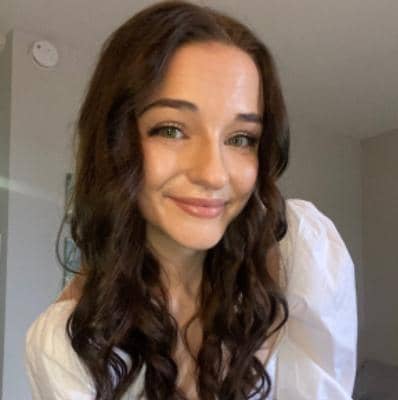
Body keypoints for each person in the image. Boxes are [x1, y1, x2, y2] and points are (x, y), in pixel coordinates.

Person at [24, 1, 358, 399]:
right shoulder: (66, 345)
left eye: (241, 138)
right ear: (115, 143)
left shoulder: (302, 252)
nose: (213, 174)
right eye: (171, 130)